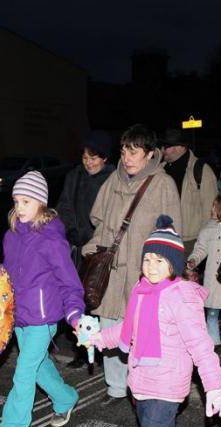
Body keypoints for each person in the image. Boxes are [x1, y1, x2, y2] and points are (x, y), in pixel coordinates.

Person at [84, 216, 221, 427]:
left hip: (167, 382)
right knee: (154, 426)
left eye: (160, 260)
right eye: (148, 259)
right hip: (140, 378)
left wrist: (215, 387)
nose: (151, 266)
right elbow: (129, 328)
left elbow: (201, 345)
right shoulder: (142, 291)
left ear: (173, 265)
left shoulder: (181, 299)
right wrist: (100, 338)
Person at [84, 124, 181, 406]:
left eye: (134, 152)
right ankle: (116, 387)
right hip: (112, 271)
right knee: (110, 325)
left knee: (141, 330)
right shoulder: (113, 181)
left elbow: (171, 233)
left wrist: (163, 271)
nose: (126, 158)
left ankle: (143, 386)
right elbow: (98, 219)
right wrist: (94, 246)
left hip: (144, 272)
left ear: (150, 154)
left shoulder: (162, 184)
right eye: (124, 151)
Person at [0, 171, 84, 427]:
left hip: (42, 319)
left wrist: (75, 313)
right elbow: (7, 275)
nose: (19, 208)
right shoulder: (11, 236)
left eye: (26, 202)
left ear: (41, 203)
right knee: (39, 365)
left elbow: (69, 281)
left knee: (23, 372)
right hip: (18, 315)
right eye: (16, 201)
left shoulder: (51, 240)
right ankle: (66, 398)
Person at [56, 130, 114, 369]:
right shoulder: (74, 176)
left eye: (94, 157)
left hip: (101, 248)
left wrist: (96, 238)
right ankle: (81, 350)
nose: (88, 162)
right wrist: (71, 230)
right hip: (76, 247)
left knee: (98, 297)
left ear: (105, 158)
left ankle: (104, 347)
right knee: (77, 298)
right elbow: (64, 205)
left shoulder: (113, 180)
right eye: (85, 157)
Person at [159, 128, 218, 249]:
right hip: (163, 237)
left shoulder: (201, 170)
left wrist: (202, 243)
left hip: (190, 242)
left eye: (166, 146)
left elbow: (211, 210)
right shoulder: (160, 170)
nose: (162, 150)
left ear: (180, 147)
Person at [186, 196, 221, 346]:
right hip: (212, 281)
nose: (211, 209)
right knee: (211, 315)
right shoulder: (207, 230)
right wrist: (193, 260)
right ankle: (212, 347)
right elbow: (200, 249)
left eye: (215, 206)